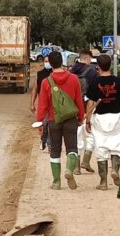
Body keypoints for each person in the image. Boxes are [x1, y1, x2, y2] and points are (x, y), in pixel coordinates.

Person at [35, 51, 85, 190]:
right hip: (71, 119)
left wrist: (40, 123)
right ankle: (69, 170)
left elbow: (43, 105)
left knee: (55, 150)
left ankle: (56, 182)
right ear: (62, 61)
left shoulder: (46, 82)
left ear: (50, 63)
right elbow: (78, 101)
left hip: (53, 120)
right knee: (72, 148)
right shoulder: (74, 79)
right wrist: (81, 117)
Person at [85, 54, 120, 191]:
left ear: (98, 66)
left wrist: (88, 120)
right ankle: (115, 170)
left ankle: (103, 182)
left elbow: (90, 103)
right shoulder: (118, 81)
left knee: (101, 148)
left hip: (100, 118)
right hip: (115, 117)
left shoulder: (94, 82)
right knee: (117, 145)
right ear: (110, 65)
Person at [70, 49, 98, 174]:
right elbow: (95, 90)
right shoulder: (92, 71)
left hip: (73, 107)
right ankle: (86, 161)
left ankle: (76, 167)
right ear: (87, 58)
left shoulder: (71, 70)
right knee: (91, 134)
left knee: (77, 135)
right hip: (88, 106)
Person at [31, 56, 53, 150]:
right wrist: (32, 103)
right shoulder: (40, 74)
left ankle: (49, 144)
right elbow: (35, 89)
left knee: (50, 124)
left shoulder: (55, 73)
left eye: (48, 61)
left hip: (53, 104)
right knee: (43, 124)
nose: (47, 63)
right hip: (43, 103)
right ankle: (44, 141)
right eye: (45, 61)